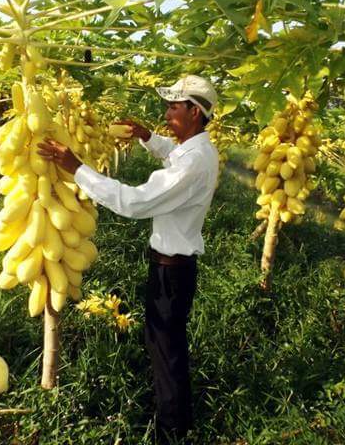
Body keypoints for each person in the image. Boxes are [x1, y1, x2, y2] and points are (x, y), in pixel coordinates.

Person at [38, 75, 219, 444]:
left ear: (196, 113)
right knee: (163, 344)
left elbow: (135, 202)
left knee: (167, 352)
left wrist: (77, 168)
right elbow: (174, 152)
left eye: (174, 107)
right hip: (170, 266)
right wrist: (147, 137)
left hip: (173, 271)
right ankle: (174, 418)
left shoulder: (195, 162)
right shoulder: (193, 150)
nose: (166, 113)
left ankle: (173, 432)